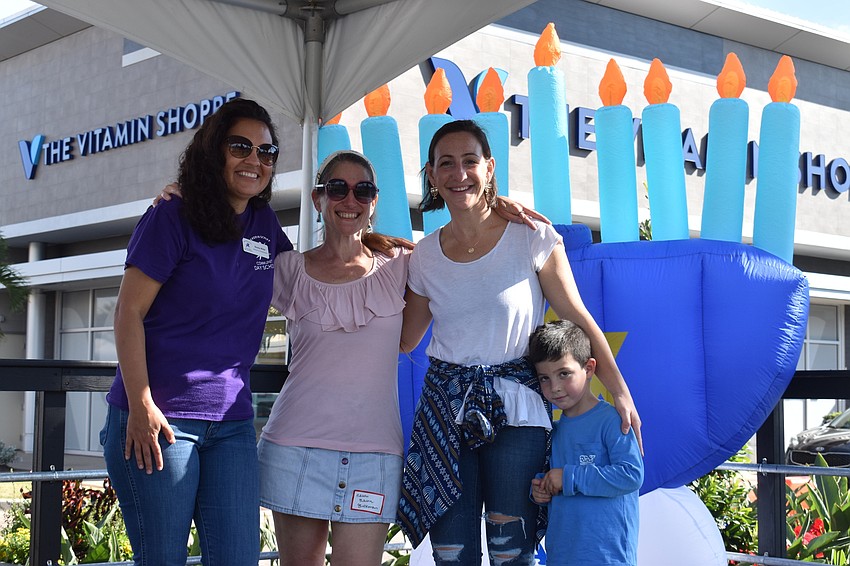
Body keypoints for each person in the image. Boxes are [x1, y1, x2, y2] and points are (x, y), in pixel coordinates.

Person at [397, 119, 642, 565]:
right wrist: (370, 261)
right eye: (446, 163)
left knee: (513, 552)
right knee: (451, 553)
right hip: (445, 413)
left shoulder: (532, 236)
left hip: (519, 413)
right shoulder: (423, 256)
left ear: (489, 168)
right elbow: (403, 338)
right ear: (431, 175)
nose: (459, 173)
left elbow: (578, 318)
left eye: (470, 161)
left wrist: (620, 391)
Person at [101, 98, 293, 565]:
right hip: (160, 421)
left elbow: (317, 276)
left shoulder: (264, 223)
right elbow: (128, 312)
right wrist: (142, 406)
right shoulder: (173, 215)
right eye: (240, 146)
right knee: (162, 558)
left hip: (232, 423)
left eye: (266, 152)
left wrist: (379, 248)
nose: (255, 160)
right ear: (214, 151)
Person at [528, 320, 643, 566]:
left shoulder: (612, 419)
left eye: (564, 373)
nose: (554, 387)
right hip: (561, 557)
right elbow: (555, 477)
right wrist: (541, 488)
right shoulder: (552, 430)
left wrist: (569, 477)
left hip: (607, 557)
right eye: (544, 378)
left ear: (589, 368)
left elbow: (631, 475)